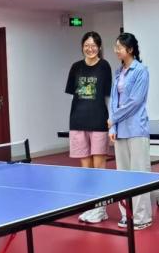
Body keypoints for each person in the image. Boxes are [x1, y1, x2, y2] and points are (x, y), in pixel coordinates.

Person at [65, 30, 113, 224]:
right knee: (86, 169)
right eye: (86, 45)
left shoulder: (104, 66)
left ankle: (101, 209)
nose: (90, 49)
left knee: (99, 167)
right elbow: (74, 94)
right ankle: (90, 205)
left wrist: (111, 120)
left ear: (99, 47)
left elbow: (108, 96)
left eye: (93, 45)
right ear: (82, 47)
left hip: (99, 121)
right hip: (78, 121)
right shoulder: (75, 67)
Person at [108, 32, 152, 230]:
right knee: (123, 176)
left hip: (136, 129)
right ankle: (127, 214)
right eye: (115, 47)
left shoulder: (141, 71)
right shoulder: (118, 72)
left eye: (119, 47)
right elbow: (113, 101)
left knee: (139, 174)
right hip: (120, 130)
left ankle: (142, 217)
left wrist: (113, 119)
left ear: (130, 49)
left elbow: (135, 102)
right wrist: (113, 126)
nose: (116, 50)